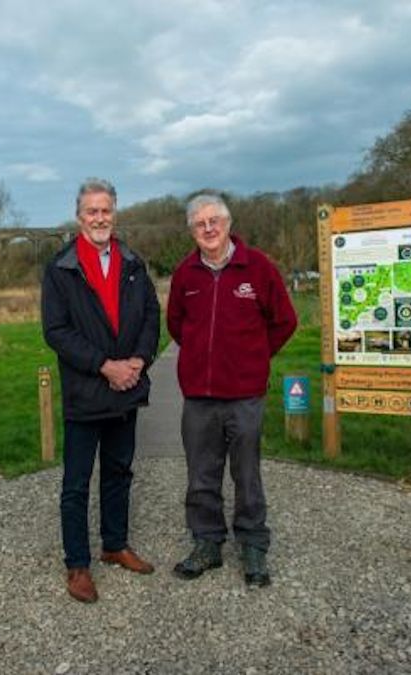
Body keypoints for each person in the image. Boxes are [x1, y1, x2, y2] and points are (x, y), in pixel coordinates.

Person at [166, 192, 298, 587]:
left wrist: (255, 358)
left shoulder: (257, 267)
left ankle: (253, 545)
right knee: (201, 474)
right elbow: (177, 326)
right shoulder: (185, 274)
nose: (208, 229)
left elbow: (285, 321)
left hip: (244, 395)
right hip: (200, 397)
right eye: (199, 223)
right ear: (192, 230)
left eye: (214, 221)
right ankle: (207, 542)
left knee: (247, 473)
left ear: (227, 223)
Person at [41, 178, 161, 603]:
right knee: (76, 484)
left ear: (115, 213)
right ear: (79, 216)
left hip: (125, 388)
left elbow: (150, 314)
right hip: (85, 393)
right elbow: (56, 331)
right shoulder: (60, 268)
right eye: (91, 211)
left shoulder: (132, 262)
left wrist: (138, 361)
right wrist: (104, 366)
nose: (99, 218)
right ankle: (77, 565)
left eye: (105, 210)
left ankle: (115, 545)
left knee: (119, 473)